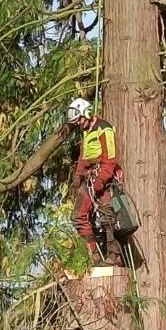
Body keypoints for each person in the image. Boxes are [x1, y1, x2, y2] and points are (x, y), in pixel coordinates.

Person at [66, 97, 121, 264]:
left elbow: (110, 160)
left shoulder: (104, 129)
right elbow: (83, 157)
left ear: (87, 113)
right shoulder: (86, 131)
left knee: (107, 216)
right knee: (78, 216)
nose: (79, 124)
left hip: (104, 178)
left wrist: (100, 182)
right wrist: (78, 176)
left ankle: (114, 255)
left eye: (79, 120)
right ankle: (94, 254)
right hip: (88, 178)